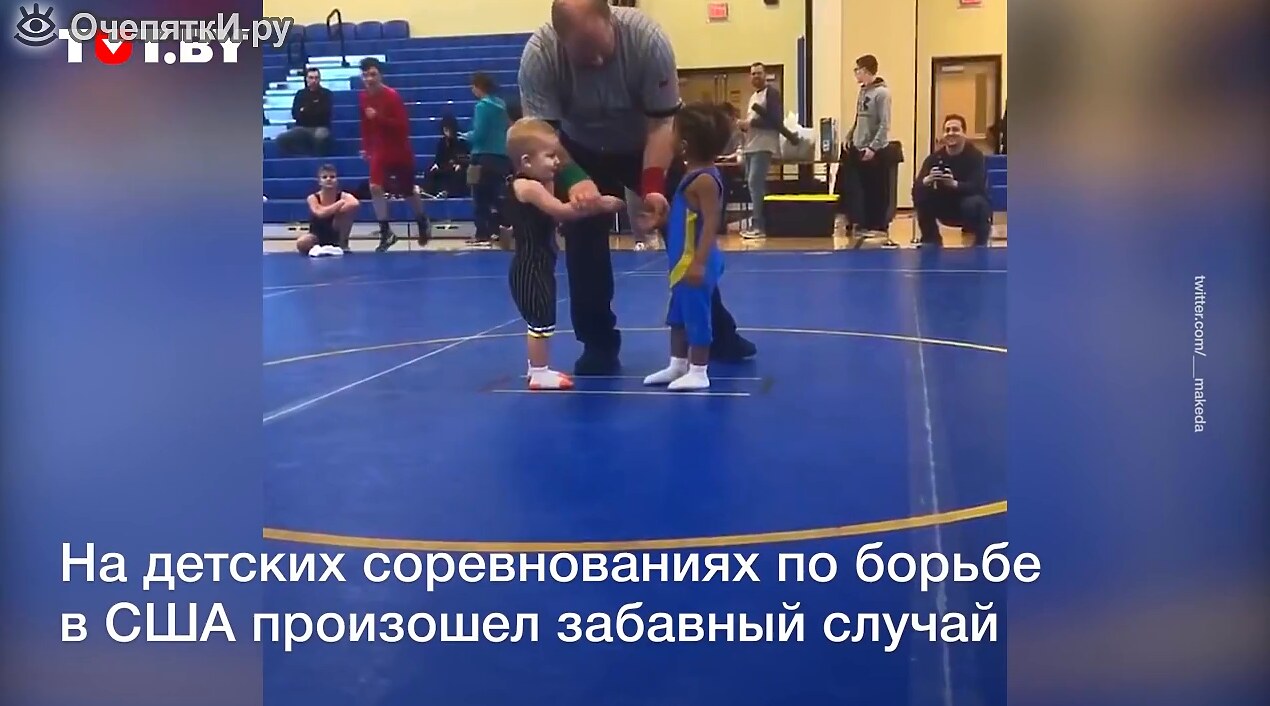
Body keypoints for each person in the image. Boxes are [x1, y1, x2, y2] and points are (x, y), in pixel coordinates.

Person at [518, 0, 756, 376]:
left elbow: (663, 124)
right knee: (583, 246)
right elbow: (541, 137)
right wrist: (575, 179)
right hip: (575, 151)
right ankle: (597, 344)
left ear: (612, 21)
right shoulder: (540, 58)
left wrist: (653, 185)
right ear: (561, 41)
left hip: (644, 143)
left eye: (602, 49)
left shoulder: (647, 40)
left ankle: (716, 333)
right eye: (584, 55)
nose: (597, 62)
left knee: (686, 234)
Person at [503, 118, 626, 390]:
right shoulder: (527, 187)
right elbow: (561, 211)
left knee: (543, 317)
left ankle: (536, 367)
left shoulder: (541, 181)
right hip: (530, 265)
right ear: (526, 161)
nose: (558, 161)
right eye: (550, 156)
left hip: (542, 260)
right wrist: (601, 205)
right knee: (541, 321)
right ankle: (539, 372)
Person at [642, 103, 731, 391]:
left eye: (673, 131)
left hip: (694, 260)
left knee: (696, 316)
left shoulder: (704, 180)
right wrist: (664, 221)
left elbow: (711, 223)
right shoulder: (691, 174)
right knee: (678, 315)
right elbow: (690, 219)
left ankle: (699, 370)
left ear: (684, 144)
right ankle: (677, 364)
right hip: (683, 260)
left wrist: (699, 262)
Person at [359, 57, 431, 252]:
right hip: (380, 148)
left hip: (399, 148)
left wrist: (379, 118)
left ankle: (421, 219)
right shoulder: (363, 96)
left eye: (373, 74)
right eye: (365, 75)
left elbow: (403, 127)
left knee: (407, 191)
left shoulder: (392, 96)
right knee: (375, 186)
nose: (369, 79)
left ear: (380, 75)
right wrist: (366, 146)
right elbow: (365, 123)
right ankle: (385, 231)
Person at [912, 114, 992, 247]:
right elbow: (916, 188)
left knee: (975, 203)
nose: (950, 133)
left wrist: (954, 184)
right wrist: (927, 180)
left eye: (955, 129)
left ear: (964, 134)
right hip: (945, 205)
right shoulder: (934, 158)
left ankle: (976, 243)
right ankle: (931, 240)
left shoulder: (976, 157)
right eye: (947, 130)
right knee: (922, 196)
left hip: (968, 205)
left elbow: (977, 186)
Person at [847, 54, 897, 247]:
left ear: (866, 70)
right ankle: (866, 223)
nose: (856, 74)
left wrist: (873, 147)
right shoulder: (863, 92)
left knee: (877, 190)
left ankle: (878, 225)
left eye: (857, 70)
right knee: (864, 189)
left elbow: (884, 124)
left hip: (874, 150)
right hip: (859, 146)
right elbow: (859, 117)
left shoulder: (882, 94)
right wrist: (851, 135)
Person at [461, 72, 512, 247]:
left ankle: (482, 234)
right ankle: (502, 230)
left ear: (478, 87)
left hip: (482, 156)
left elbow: (480, 134)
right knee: (497, 196)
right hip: (501, 156)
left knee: (480, 197)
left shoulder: (482, 106)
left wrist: (466, 136)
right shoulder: (501, 105)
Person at [296, 164, 359, 257]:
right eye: (324, 177)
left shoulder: (343, 195)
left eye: (332, 177)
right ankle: (317, 248)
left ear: (337, 180)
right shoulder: (313, 197)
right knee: (301, 243)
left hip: (336, 233)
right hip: (317, 236)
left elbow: (355, 203)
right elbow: (320, 213)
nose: (329, 179)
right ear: (319, 182)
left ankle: (342, 244)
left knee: (347, 212)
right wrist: (339, 204)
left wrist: (335, 210)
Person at [276, 67, 332, 157]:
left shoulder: (327, 94)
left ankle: (318, 160)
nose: (314, 81)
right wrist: (312, 110)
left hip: (320, 127)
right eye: (311, 78)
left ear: (320, 79)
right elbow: (295, 114)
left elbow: (324, 114)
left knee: (321, 136)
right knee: (281, 138)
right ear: (306, 79)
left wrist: (304, 110)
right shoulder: (300, 94)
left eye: (316, 78)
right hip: (302, 128)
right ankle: (298, 158)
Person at [421, 114, 469, 198]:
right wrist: (436, 165)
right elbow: (438, 159)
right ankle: (429, 193)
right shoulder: (442, 142)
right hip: (445, 167)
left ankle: (448, 193)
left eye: (448, 129)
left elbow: (464, 157)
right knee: (431, 172)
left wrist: (460, 164)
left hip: (456, 168)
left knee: (458, 174)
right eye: (445, 129)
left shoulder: (460, 141)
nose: (446, 131)